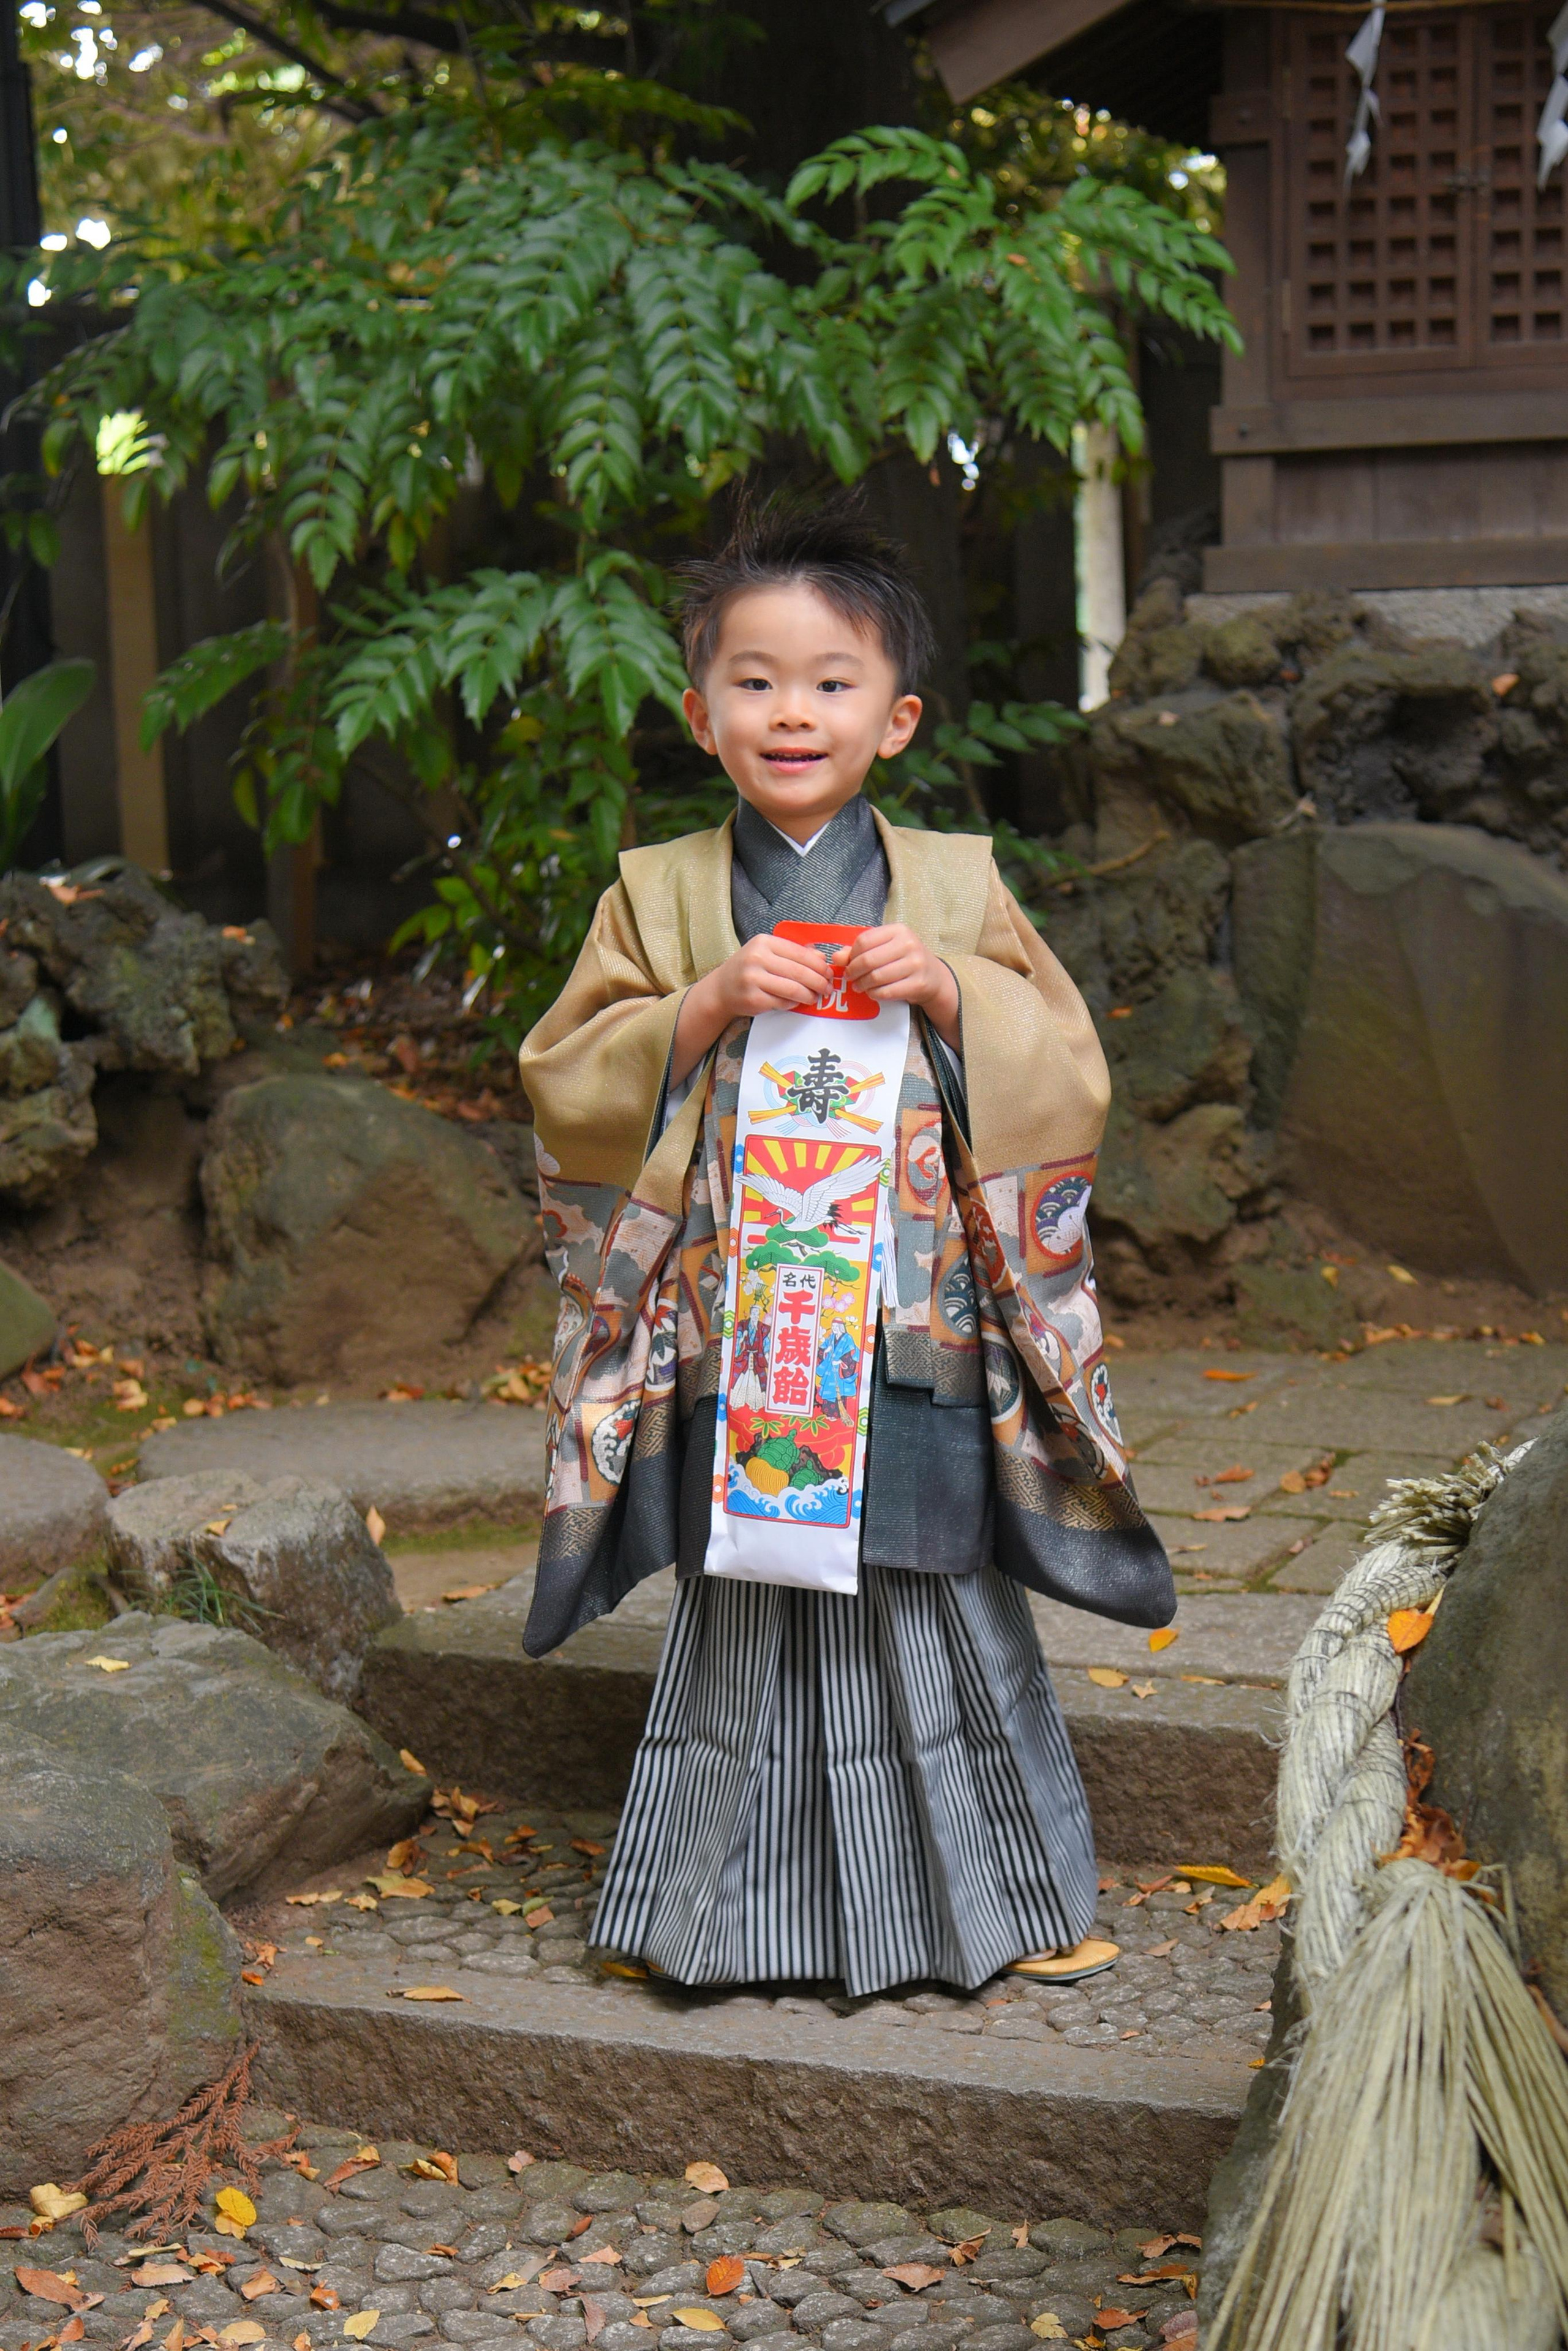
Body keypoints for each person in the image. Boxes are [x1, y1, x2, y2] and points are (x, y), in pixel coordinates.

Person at [518, 494, 1173, 1999]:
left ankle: (1004, 1898)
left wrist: (952, 991)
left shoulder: (952, 881)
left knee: (936, 1584)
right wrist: (692, 1005)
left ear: (896, 717)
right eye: (753, 679)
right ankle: (703, 1911)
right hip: (746, 1324)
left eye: (830, 681)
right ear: (699, 712)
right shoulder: (662, 891)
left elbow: (1063, 1069)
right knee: (744, 1590)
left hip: (905, 1318)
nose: (790, 709)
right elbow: (570, 1075)